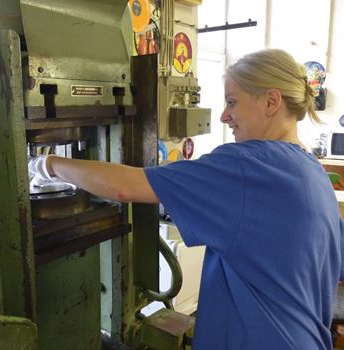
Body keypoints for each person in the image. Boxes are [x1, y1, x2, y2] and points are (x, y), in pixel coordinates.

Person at [29, 48, 344, 349]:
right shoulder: (311, 170)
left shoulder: (248, 165)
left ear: (271, 101)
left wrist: (48, 165)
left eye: (232, 102)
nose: (223, 116)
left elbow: (125, 187)